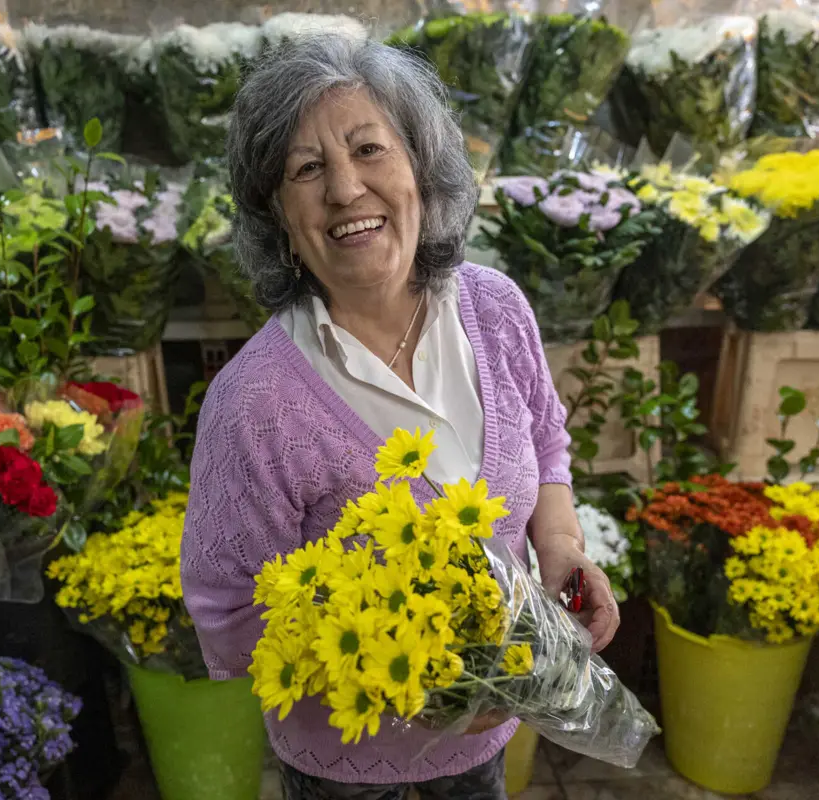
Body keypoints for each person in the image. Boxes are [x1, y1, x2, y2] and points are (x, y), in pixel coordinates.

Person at [180, 32, 620, 800]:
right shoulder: (255, 401)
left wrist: (559, 547)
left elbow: (547, 443)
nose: (346, 190)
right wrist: (400, 681)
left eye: (369, 150)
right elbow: (224, 603)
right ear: (279, 217)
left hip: (486, 738)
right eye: (307, 170)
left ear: (421, 167)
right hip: (344, 764)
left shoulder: (496, 310)